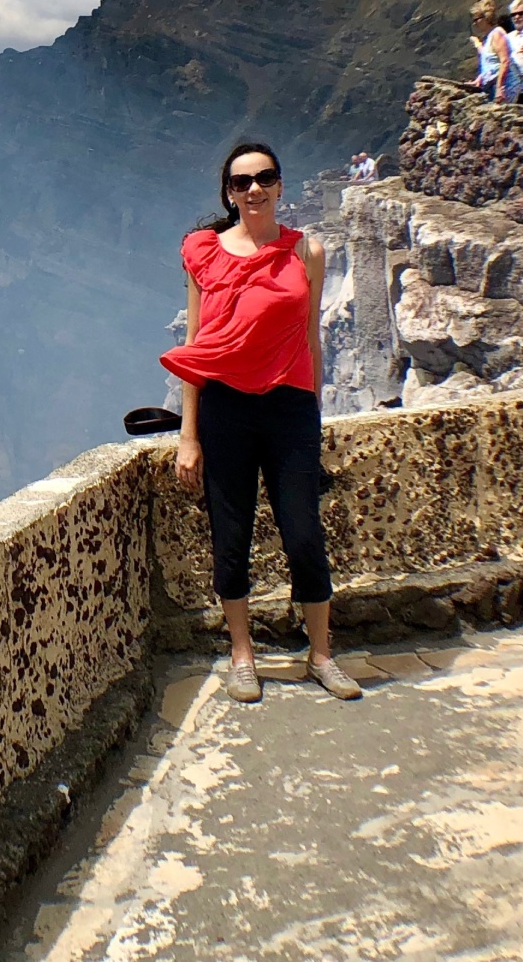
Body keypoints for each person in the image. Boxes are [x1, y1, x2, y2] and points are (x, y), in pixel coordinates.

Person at [160, 142, 361, 703]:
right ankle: (243, 656)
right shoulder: (204, 253)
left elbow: (311, 339)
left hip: (289, 409)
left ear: (279, 186)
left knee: (304, 534)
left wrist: (313, 414)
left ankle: (322, 654)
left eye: (264, 178)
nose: (254, 189)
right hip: (226, 408)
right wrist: (188, 435)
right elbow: (197, 346)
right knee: (232, 535)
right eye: (242, 181)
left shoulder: (306, 253)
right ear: (228, 192)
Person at [470, 0, 521, 104]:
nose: (475, 23)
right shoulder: (488, 37)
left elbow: (504, 61)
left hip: (506, 86)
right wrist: (480, 78)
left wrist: (499, 87)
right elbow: (490, 62)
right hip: (493, 86)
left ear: (486, 17)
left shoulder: (497, 34)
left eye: (477, 19)